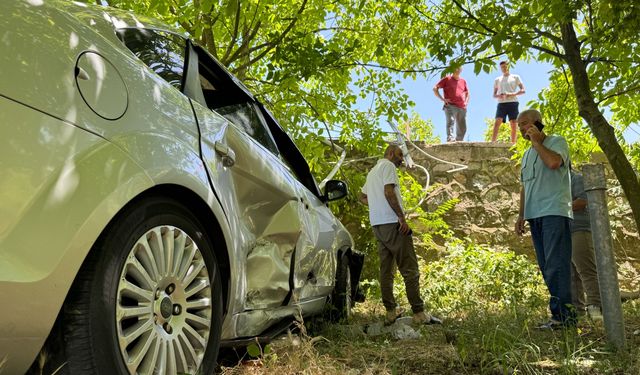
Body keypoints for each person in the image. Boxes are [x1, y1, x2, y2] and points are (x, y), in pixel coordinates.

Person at [359, 145, 441, 326]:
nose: (401, 159)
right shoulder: (387, 166)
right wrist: (401, 218)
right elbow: (389, 192)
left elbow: (362, 197)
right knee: (409, 268)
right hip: (392, 224)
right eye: (399, 155)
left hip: (378, 225)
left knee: (386, 269)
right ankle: (419, 313)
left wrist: (377, 207)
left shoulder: (373, 171)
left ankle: (390, 312)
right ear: (389, 154)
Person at [514, 109, 576, 329]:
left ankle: (564, 318)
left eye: (526, 124)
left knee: (556, 264)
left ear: (538, 124)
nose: (522, 128)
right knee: (545, 265)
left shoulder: (556, 141)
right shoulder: (527, 155)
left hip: (554, 212)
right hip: (534, 215)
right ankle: (560, 315)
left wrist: (538, 143)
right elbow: (525, 186)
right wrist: (521, 214)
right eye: (520, 125)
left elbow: (553, 163)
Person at [569, 168, 603, 320]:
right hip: (566, 231)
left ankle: (595, 309)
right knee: (572, 274)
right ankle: (579, 311)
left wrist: (557, 207)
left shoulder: (576, 178)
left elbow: (582, 202)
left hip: (579, 229)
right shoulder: (557, 184)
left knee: (586, 271)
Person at [433, 67, 470, 142]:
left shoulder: (463, 81)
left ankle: (459, 141)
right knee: (450, 121)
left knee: (462, 126)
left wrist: (466, 102)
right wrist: (442, 99)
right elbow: (435, 88)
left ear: (461, 70)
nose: (457, 70)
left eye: (459, 68)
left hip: (462, 107)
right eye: (456, 68)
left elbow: (467, 93)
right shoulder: (447, 79)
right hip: (450, 105)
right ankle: (450, 139)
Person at [492, 61, 525, 143]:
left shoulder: (515, 77)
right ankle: (492, 142)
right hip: (501, 103)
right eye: (502, 67)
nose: (503, 68)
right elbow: (494, 95)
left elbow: (523, 90)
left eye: (505, 66)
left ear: (508, 66)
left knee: (514, 123)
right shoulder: (497, 79)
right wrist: (500, 95)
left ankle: (513, 143)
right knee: (497, 121)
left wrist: (512, 94)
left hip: (513, 102)